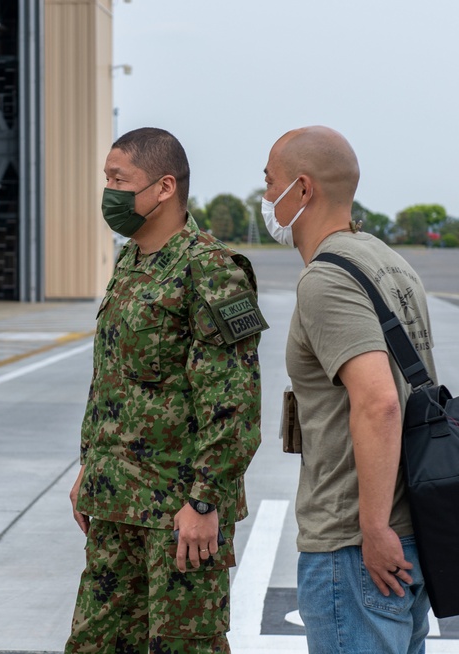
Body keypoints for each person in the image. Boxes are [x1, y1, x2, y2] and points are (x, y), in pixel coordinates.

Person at [65, 127, 264, 654]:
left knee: (184, 646)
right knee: (93, 643)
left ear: (164, 187)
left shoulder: (211, 269)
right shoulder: (130, 262)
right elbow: (110, 380)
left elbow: (233, 405)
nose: (108, 190)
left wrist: (203, 503)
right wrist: (90, 466)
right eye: (106, 177)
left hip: (177, 516)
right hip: (115, 501)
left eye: (118, 179)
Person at [263, 126, 435, 653]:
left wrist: (373, 528)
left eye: (271, 184)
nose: (267, 199)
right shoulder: (388, 262)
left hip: (354, 547)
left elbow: (379, 402)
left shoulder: (327, 280)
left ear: (303, 189)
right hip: (409, 532)